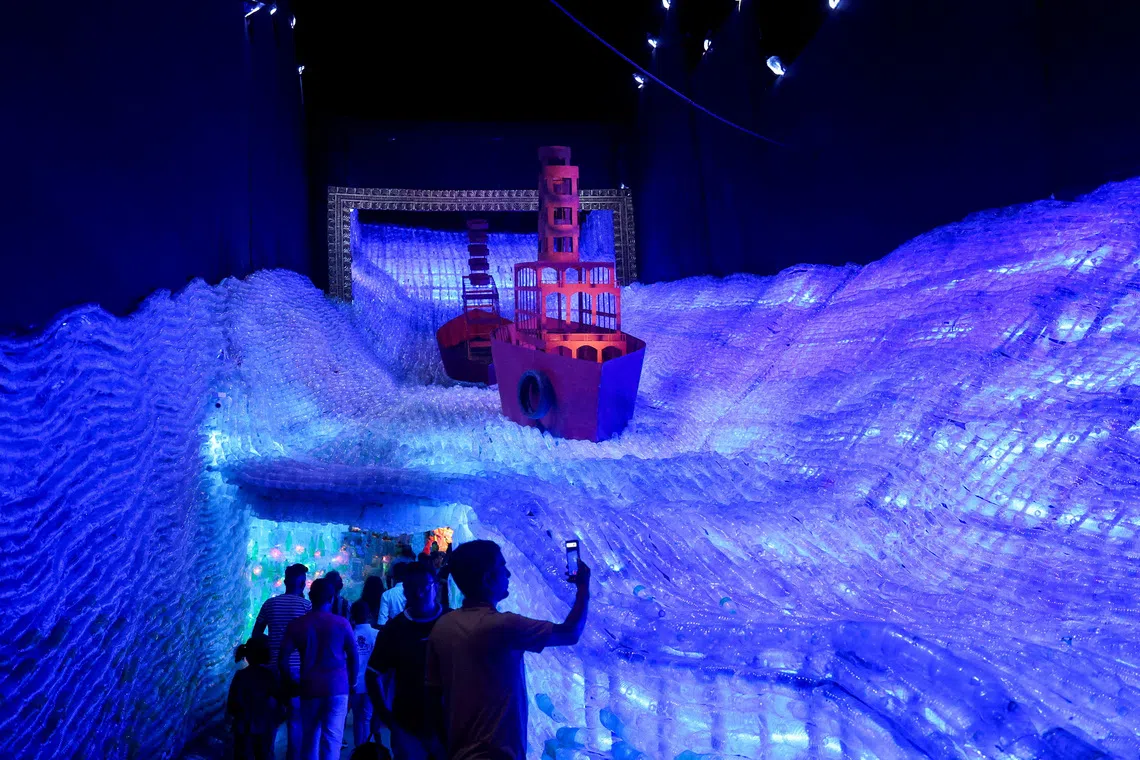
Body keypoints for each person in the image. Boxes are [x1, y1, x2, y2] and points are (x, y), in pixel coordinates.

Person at [425, 540, 590, 760]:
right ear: (488, 579)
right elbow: (570, 633)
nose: (509, 574)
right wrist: (583, 588)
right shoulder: (502, 626)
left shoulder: (443, 626)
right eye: (502, 567)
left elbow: (433, 696)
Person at [367, 563, 449, 760]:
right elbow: (372, 673)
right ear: (404, 590)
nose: (418, 594)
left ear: (435, 586)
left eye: (424, 587)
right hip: (407, 723)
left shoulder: (452, 621)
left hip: (450, 722)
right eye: (411, 587)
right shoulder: (394, 629)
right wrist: (384, 715)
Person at [279, 577, 360, 760]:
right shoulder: (342, 624)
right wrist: (353, 683)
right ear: (332, 598)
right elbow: (353, 656)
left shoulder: (297, 625)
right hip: (337, 688)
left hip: (309, 688)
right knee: (332, 742)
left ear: (310, 597)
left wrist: (291, 683)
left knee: (310, 740)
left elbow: (282, 659)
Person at [254, 563, 311, 760]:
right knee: (295, 720)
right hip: (297, 670)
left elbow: (256, 635)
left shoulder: (269, 604)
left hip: (272, 669)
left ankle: (267, 756)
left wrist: (272, 644)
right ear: (302, 584)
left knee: (271, 718)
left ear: (285, 581)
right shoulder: (306, 607)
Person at [228, 634, 283, 760]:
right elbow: (280, 699)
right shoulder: (270, 676)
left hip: (243, 727)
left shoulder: (240, 676)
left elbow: (232, 705)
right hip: (265, 726)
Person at [349, 600, 378, 749]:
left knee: (357, 717)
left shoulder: (349, 634)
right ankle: (367, 750)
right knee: (367, 717)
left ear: (352, 614)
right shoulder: (376, 634)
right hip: (371, 683)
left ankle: (358, 749)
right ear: (369, 615)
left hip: (353, 682)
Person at [377, 562, 409, 627]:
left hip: (393, 630)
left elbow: (382, 622)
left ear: (393, 577)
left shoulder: (387, 594)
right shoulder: (415, 592)